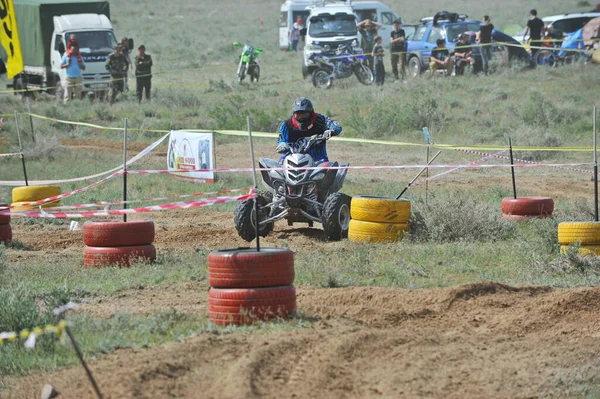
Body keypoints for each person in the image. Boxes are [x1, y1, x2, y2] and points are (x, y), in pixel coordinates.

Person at [277, 97, 342, 163]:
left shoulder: (320, 120)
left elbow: (336, 126)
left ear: (311, 112)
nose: (301, 117)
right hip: (292, 158)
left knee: (330, 169)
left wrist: (332, 130)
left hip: (317, 160)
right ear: (294, 114)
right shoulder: (287, 125)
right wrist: (282, 145)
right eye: (298, 114)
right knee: (277, 167)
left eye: (304, 114)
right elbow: (281, 141)